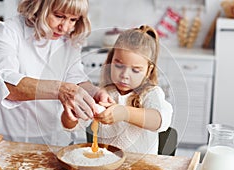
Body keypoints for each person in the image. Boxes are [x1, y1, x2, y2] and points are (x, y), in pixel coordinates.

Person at [0, 0, 113, 146]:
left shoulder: (71, 37)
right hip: (15, 137)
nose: (65, 27)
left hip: (58, 137)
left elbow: (75, 77)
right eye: (59, 16)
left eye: (73, 19)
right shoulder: (9, 31)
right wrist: (60, 90)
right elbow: (7, 86)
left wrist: (94, 92)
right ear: (40, 6)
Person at [62, 25, 173, 154]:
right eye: (119, 65)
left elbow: (160, 121)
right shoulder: (103, 94)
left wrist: (124, 113)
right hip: (107, 166)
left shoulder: (151, 94)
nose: (125, 75)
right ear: (110, 62)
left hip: (141, 169)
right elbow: (71, 126)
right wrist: (70, 114)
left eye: (135, 70)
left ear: (149, 71)